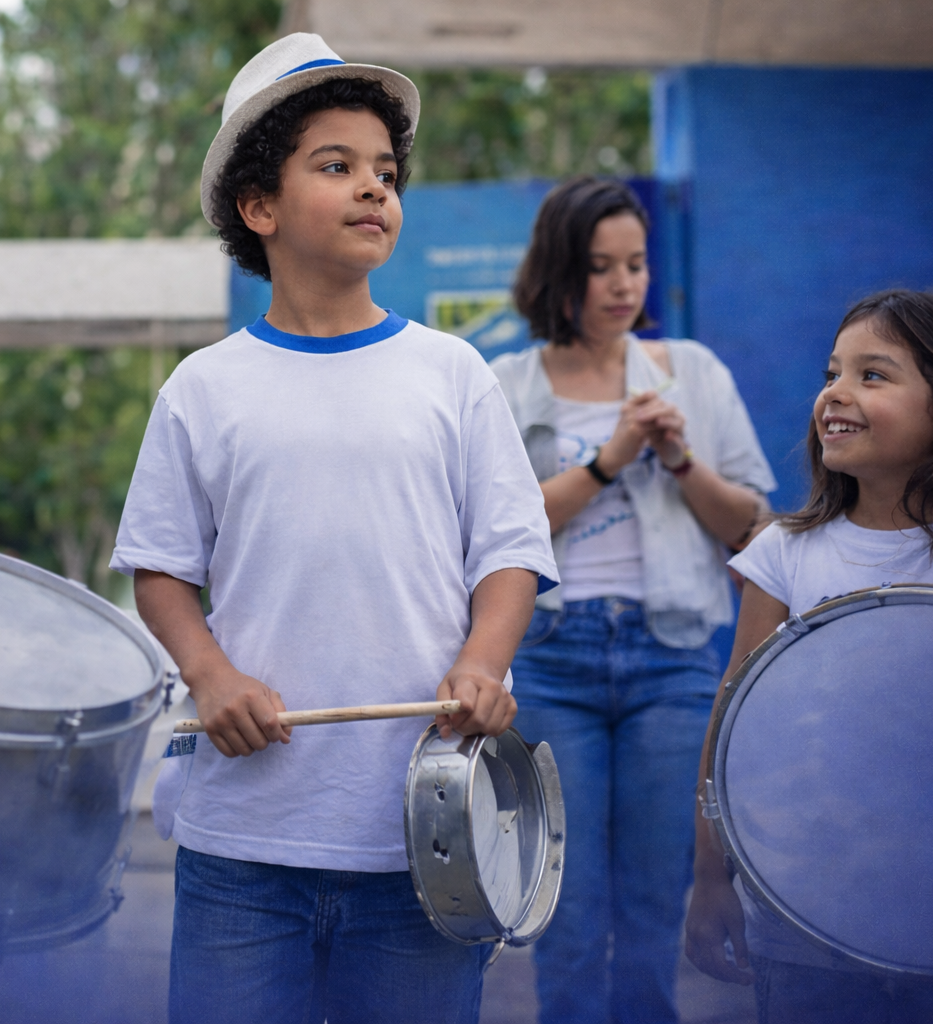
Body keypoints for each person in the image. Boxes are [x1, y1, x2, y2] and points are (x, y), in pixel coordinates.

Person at [110, 33, 557, 1024]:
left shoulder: (451, 375)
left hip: (425, 837)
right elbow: (161, 571)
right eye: (337, 166)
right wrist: (212, 676)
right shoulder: (203, 388)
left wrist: (486, 661)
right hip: (244, 843)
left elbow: (512, 552)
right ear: (259, 207)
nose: (374, 190)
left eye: (386, 173)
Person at [684, 289, 933, 1022]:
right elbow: (734, 724)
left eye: (873, 375)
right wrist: (711, 877)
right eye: (832, 372)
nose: (835, 393)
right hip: (804, 926)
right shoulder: (785, 552)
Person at [489, 176, 776, 1024]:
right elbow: (500, 532)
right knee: (569, 912)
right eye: (600, 267)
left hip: (674, 656)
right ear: (557, 274)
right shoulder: (505, 382)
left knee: (657, 904)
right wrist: (609, 458)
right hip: (552, 655)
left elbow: (755, 531)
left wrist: (683, 459)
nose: (624, 286)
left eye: (637, 265)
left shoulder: (694, 374)